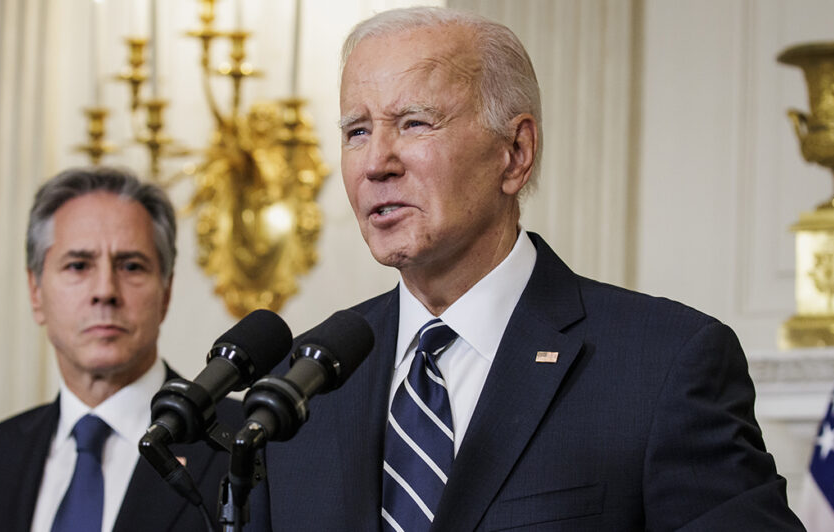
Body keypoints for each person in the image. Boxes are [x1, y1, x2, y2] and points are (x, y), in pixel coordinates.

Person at [247, 7, 804, 531]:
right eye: (357, 132)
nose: (376, 163)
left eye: (414, 123)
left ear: (515, 152)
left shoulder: (663, 366)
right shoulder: (299, 387)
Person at [0, 167, 238, 531]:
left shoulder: (244, 444)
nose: (105, 291)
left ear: (166, 292)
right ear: (35, 292)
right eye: (78, 265)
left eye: (131, 266)